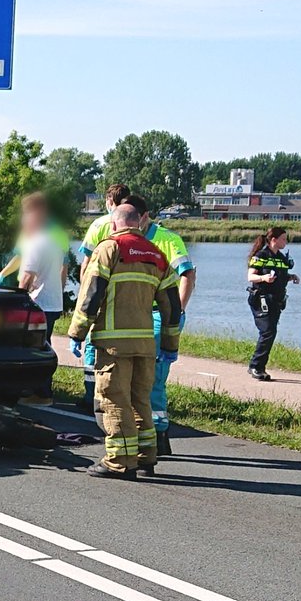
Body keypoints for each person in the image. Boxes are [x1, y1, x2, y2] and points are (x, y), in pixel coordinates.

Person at [68, 203, 182, 479]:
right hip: (144, 344)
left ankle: (118, 461)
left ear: (114, 224)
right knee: (140, 400)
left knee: (114, 400)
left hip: (113, 343)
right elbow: (172, 306)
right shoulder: (156, 254)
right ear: (140, 223)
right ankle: (145, 457)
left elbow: (92, 292)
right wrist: (169, 345)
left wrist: (77, 332)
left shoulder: (109, 249)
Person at [135, 197, 197, 457]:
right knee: (140, 377)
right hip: (139, 317)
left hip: (161, 315)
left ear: (144, 216)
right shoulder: (127, 238)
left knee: (155, 376)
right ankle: (147, 433)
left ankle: (159, 434)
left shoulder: (167, 240)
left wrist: (178, 311)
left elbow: (187, 274)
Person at [76, 184, 131, 407]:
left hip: (99, 291)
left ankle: (92, 395)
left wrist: (84, 295)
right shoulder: (135, 225)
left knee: (92, 345)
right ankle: (120, 393)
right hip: (125, 294)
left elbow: (86, 262)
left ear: (109, 202)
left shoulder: (99, 224)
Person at [246, 227, 300, 381]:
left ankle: (256, 365)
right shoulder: (260, 255)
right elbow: (250, 276)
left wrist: (291, 277)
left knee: (271, 332)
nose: (286, 241)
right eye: (283, 238)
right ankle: (257, 366)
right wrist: (263, 278)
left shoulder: (282, 258)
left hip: (276, 300)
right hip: (261, 299)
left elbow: (281, 275)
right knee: (268, 332)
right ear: (273, 240)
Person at [16, 193, 67, 340]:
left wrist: (18, 303)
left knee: (31, 345)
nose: (23, 219)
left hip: (39, 304)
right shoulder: (54, 241)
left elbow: (27, 278)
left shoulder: (35, 243)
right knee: (45, 343)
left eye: (26, 214)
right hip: (53, 303)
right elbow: (62, 271)